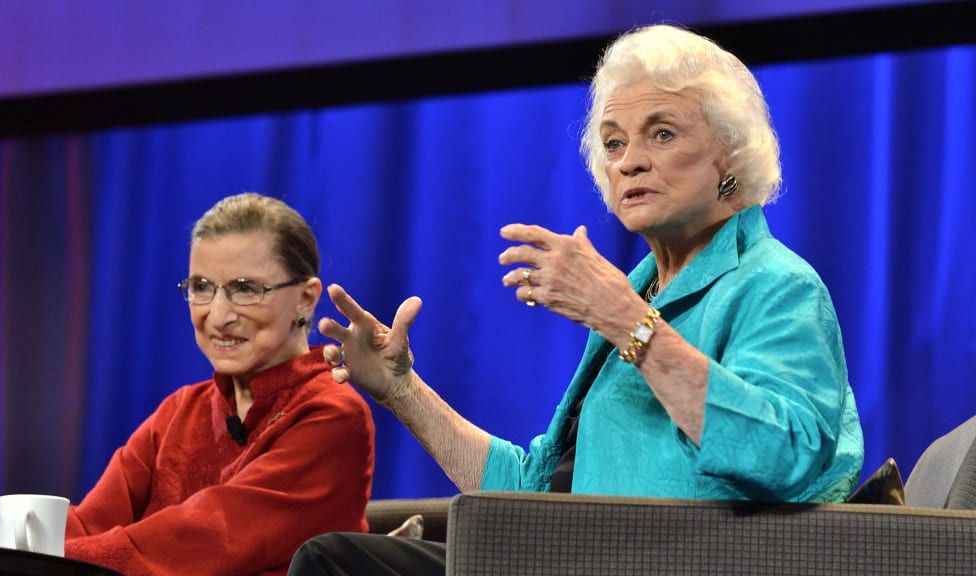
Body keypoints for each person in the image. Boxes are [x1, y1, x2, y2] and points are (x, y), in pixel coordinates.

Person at [289, 24, 863, 575]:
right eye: (614, 143)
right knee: (339, 558)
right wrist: (401, 390)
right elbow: (532, 496)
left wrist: (626, 320)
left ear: (731, 157)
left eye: (662, 133)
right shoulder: (642, 294)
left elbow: (784, 457)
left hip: (674, 561)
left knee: (335, 562)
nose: (629, 160)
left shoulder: (774, 284)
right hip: (576, 553)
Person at [65, 193, 375, 576]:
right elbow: (88, 523)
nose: (217, 315)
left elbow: (210, 537)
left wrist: (57, 559)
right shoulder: (181, 410)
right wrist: (6, 552)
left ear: (305, 300)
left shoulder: (333, 416)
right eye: (201, 287)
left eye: (245, 289)